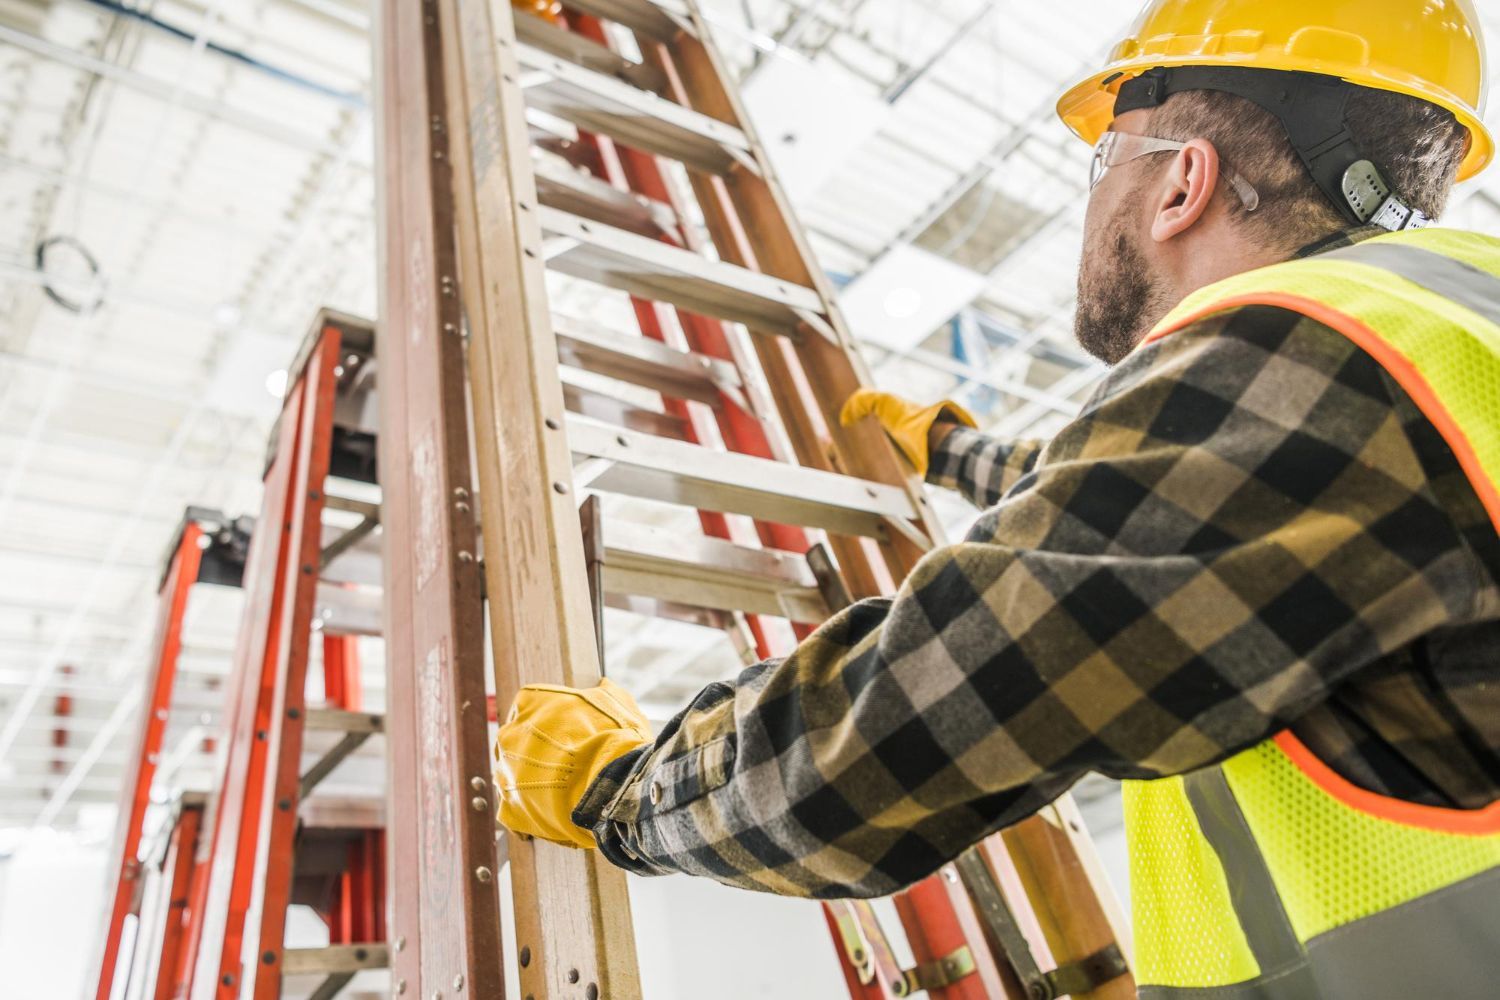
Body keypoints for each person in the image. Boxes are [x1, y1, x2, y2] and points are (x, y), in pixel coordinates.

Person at [495, 1, 1500, 995]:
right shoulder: (1432, 338)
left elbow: (908, 720)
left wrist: (619, 788)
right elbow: (1191, 524)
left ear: (1184, 181)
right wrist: (954, 451)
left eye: (1103, 159)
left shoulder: (1305, 354)